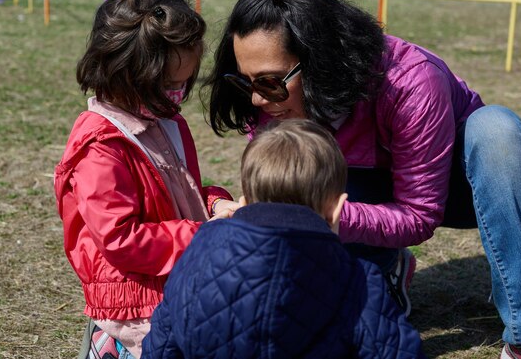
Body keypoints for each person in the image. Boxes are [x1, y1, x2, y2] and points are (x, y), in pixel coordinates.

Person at [203, 0, 521, 359]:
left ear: (320, 61)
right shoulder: (274, 96)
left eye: (269, 83)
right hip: (355, 192)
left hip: (457, 187)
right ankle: (380, 269)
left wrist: (321, 215)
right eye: (245, 82)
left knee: (497, 131)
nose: (256, 99)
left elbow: (420, 214)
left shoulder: (412, 80)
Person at [141, 119, 428, 359]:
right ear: (337, 210)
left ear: (243, 201)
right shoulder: (358, 279)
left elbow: (164, 340)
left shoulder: (199, 250)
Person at [54, 0, 235, 359]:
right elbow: (121, 238)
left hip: (173, 280)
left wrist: (216, 205)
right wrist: (203, 236)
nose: (178, 93)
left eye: (184, 82)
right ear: (124, 72)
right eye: (169, 84)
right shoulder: (102, 144)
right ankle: (106, 346)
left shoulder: (163, 119)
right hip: (134, 303)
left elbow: (178, 195)